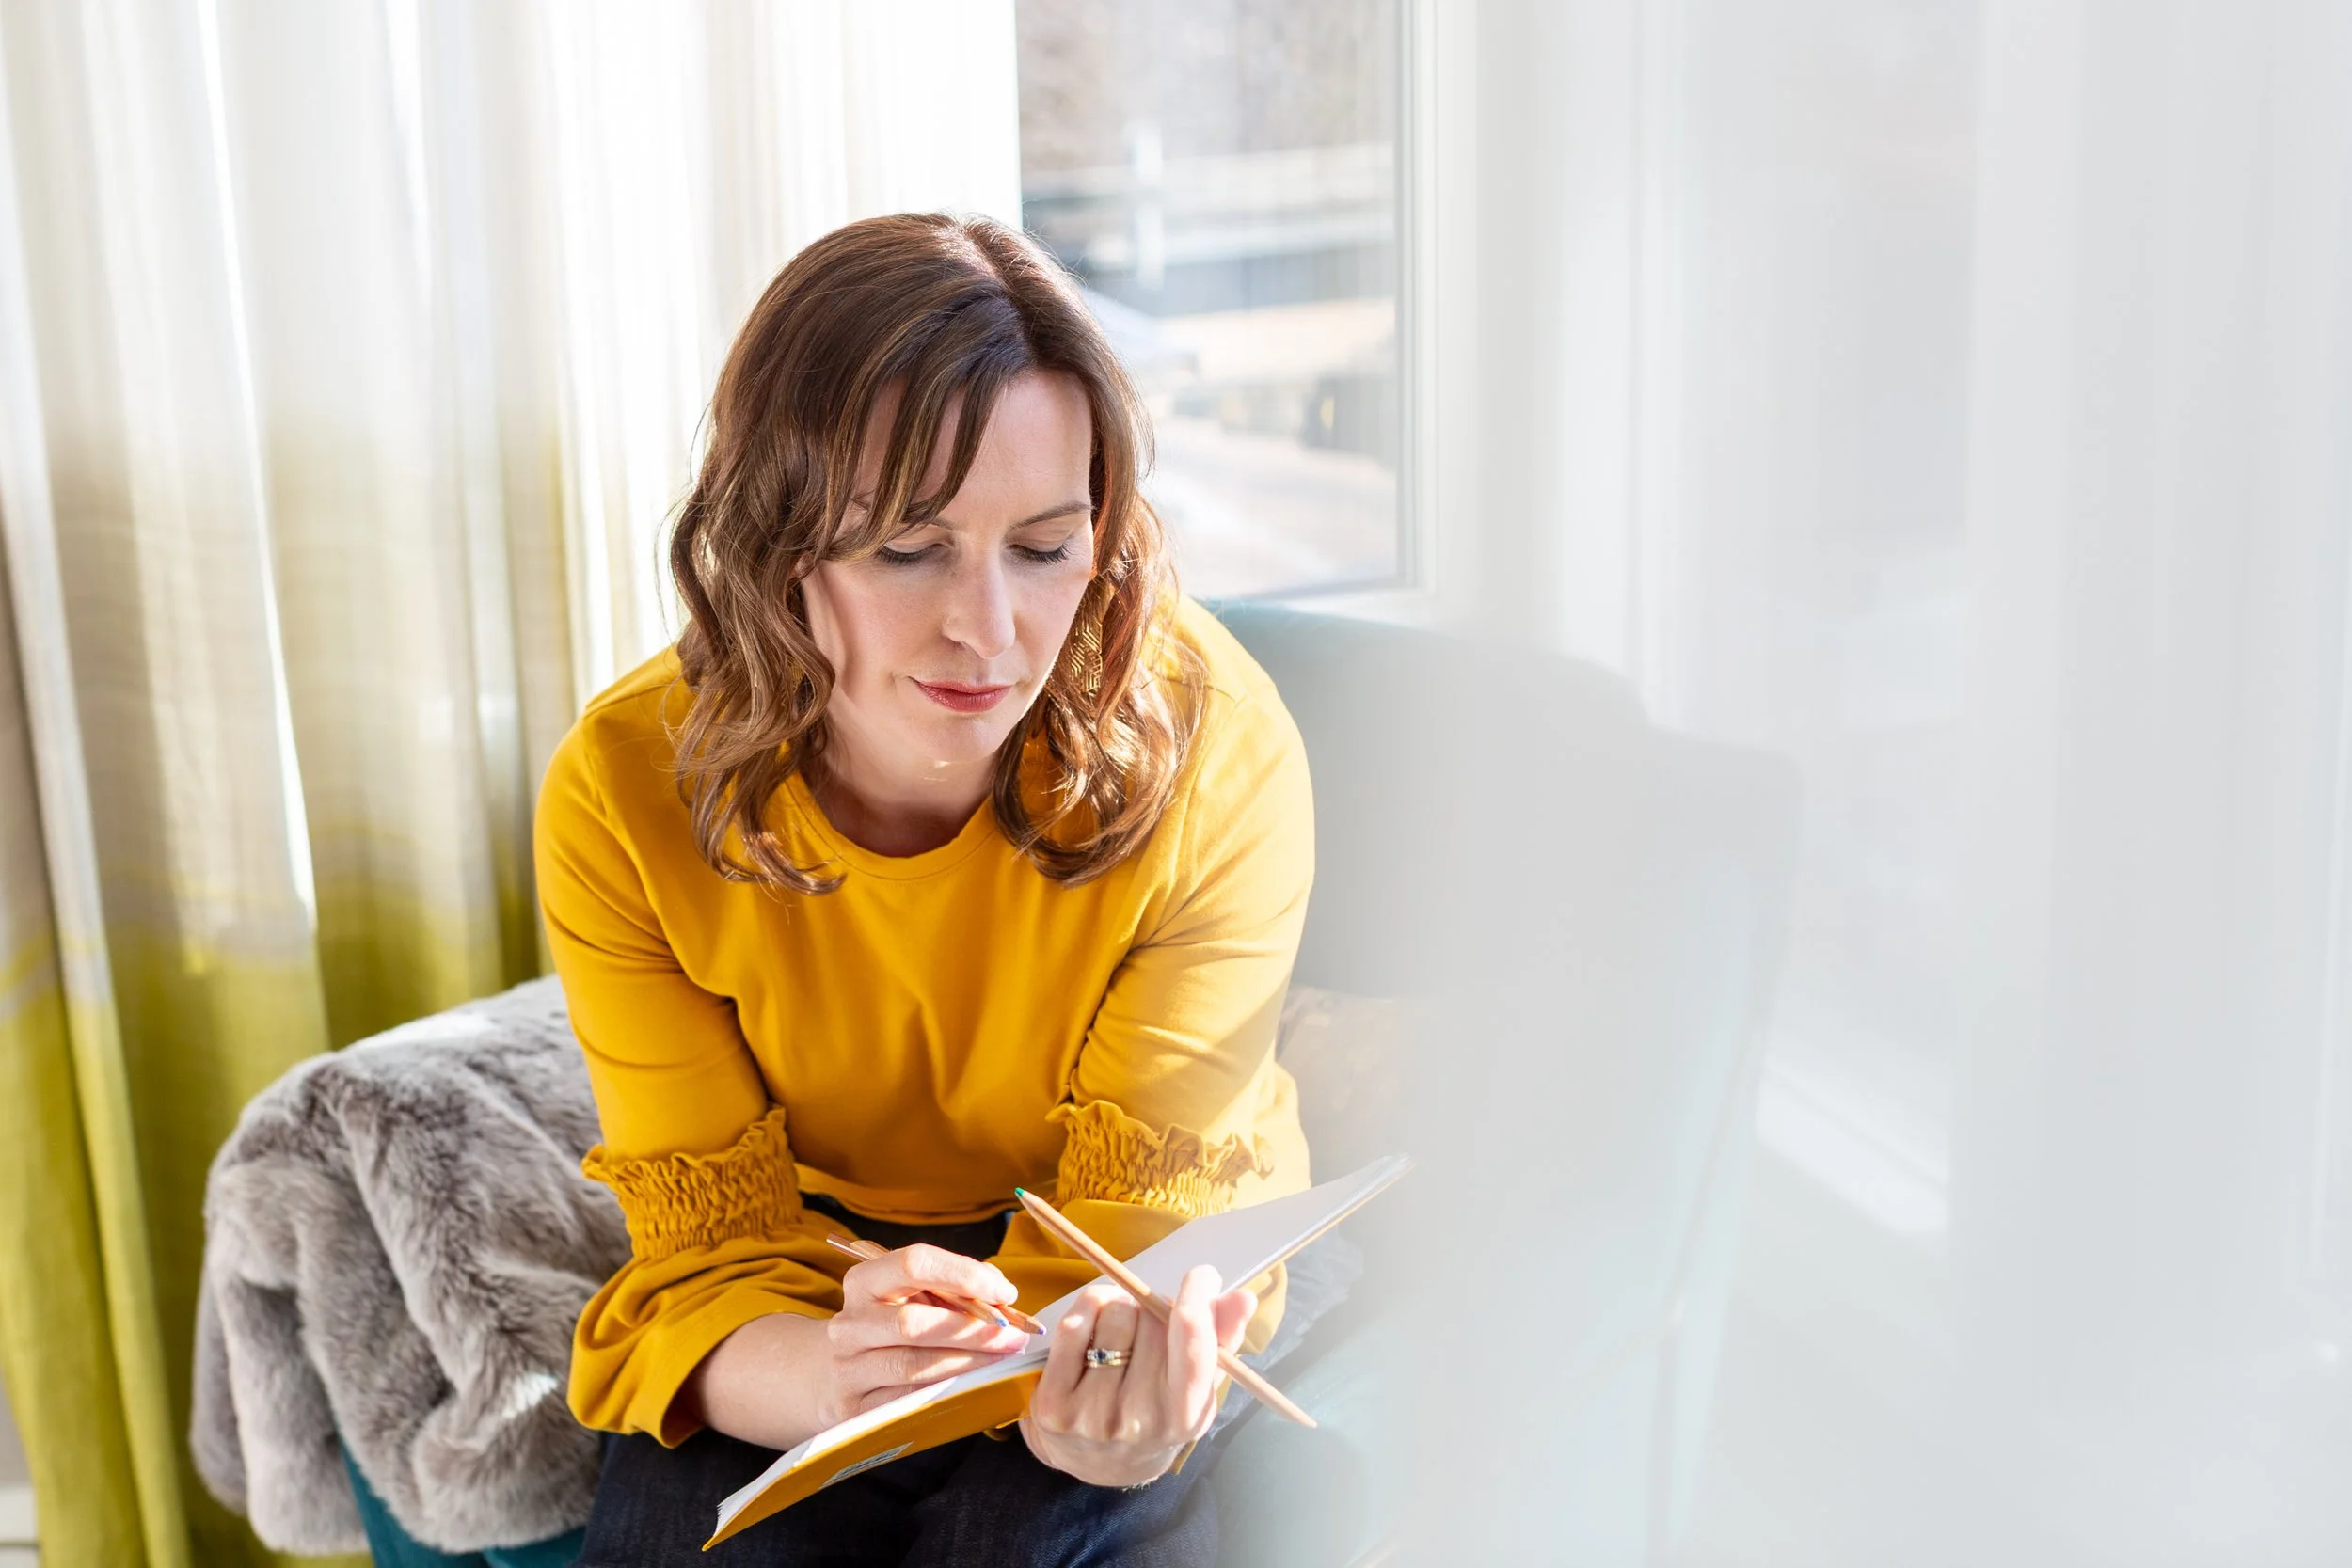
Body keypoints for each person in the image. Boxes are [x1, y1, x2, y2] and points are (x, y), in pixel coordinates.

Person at [533, 212, 1316, 1565]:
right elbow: (706, 1258)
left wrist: (1108, 1415)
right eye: (910, 548)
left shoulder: (1219, 756)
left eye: (1044, 545)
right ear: (776, 544)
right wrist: (839, 1380)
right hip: (818, 1276)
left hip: (1131, 1261)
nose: (990, 632)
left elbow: (1131, 1268)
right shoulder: (621, 788)